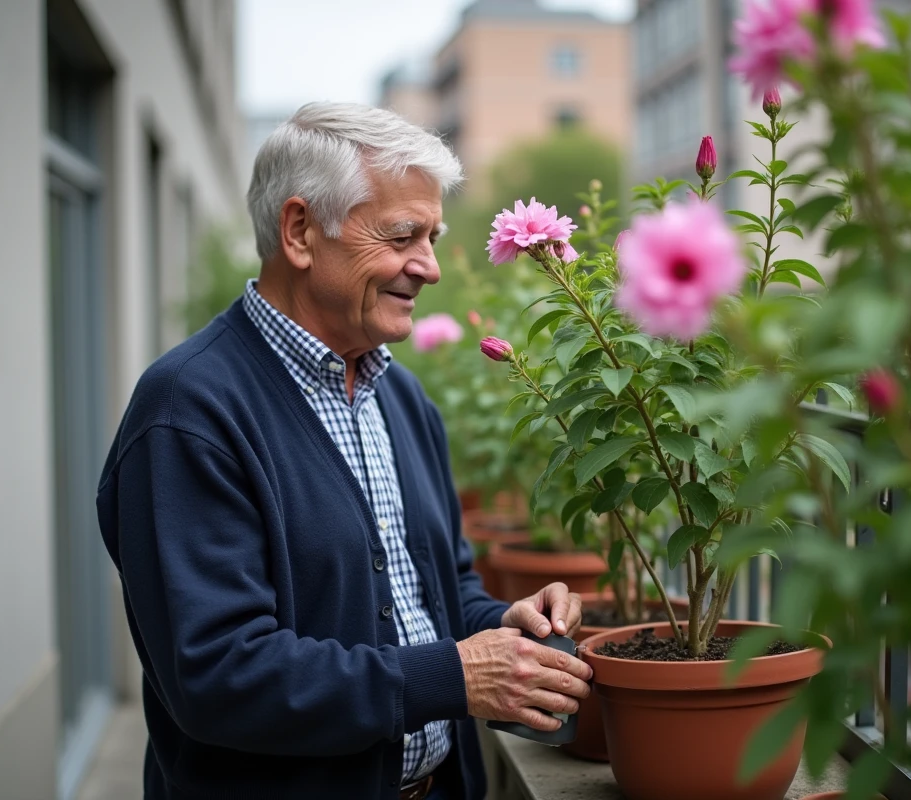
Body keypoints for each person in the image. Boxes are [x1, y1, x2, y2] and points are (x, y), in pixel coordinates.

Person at [95, 102, 592, 800]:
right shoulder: (188, 412)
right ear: (300, 231)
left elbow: (438, 595)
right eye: (402, 236)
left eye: (434, 236)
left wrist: (501, 625)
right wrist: (457, 675)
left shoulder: (402, 398)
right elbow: (218, 675)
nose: (430, 267)